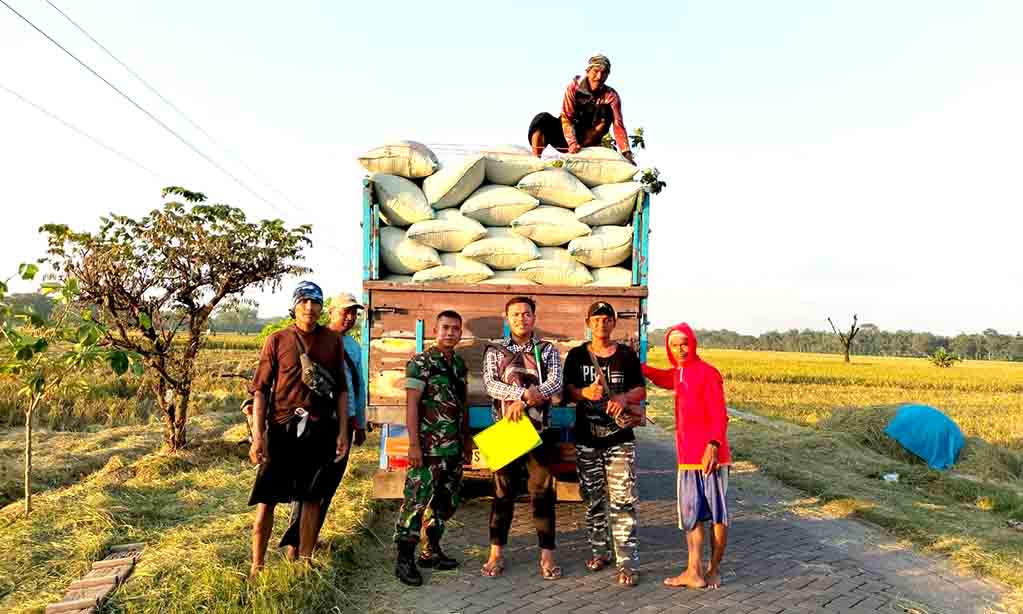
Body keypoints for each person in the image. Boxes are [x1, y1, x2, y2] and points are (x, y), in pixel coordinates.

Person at [247, 281, 348, 578]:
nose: (309, 307)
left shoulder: (332, 341)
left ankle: (304, 562)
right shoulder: (277, 340)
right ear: (294, 306)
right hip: (281, 429)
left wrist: (342, 431)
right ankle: (257, 566)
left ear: (321, 308)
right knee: (267, 499)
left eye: (315, 302)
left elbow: (341, 390)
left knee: (312, 498)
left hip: (319, 429)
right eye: (303, 301)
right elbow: (261, 390)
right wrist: (258, 437)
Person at [562, 301, 646, 586]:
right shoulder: (576, 356)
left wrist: (624, 398)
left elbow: (640, 388)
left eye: (606, 319)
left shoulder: (626, 356)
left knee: (623, 501)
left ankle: (627, 562)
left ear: (613, 323)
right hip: (587, 440)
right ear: (588, 323)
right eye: (596, 319)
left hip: (620, 440)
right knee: (593, 500)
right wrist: (584, 392)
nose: (601, 324)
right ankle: (600, 551)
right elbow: (567, 393)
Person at [480, 296, 564, 580]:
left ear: (534, 318)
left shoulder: (547, 350)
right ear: (507, 319)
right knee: (502, 494)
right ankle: (495, 555)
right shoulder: (495, 349)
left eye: (526, 314)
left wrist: (524, 404)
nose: (521, 319)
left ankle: (547, 557)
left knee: (543, 495)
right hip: (506, 430)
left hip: (540, 431)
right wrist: (522, 395)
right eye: (515, 315)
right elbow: (491, 384)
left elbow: (555, 383)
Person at [642, 323, 731, 589]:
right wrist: (639, 366)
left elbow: (719, 412)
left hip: (710, 456)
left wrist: (713, 444)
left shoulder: (708, 373)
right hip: (688, 456)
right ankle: (694, 571)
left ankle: (713, 569)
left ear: (693, 344)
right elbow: (662, 377)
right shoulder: (680, 373)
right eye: (674, 345)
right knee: (691, 515)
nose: (680, 349)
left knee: (717, 515)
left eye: (684, 344)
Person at [279, 292, 367, 558]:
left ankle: (311, 539)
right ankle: (294, 546)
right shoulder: (315, 340)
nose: (350, 317)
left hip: (346, 424)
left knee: (328, 486)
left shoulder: (353, 347)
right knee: (307, 487)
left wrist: (359, 423)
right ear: (331, 311)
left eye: (354, 313)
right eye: (345, 312)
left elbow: (358, 387)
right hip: (317, 424)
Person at [393, 310, 470, 586]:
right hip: (427, 449)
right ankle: (404, 561)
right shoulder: (421, 363)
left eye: (455, 329)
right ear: (435, 330)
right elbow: (412, 404)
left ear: (460, 333)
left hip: (452, 449)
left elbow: (463, 404)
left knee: (445, 504)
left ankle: (431, 551)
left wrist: (467, 439)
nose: (450, 333)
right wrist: (413, 445)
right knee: (416, 503)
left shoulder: (459, 365)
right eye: (445, 328)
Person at [527, 54, 635, 163]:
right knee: (542, 119)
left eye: (604, 73)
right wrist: (572, 142)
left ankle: (581, 150)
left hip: (587, 137)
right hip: (565, 134)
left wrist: (627, 153)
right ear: (588, 72)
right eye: (596, 71)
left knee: (606, 110)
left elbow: (618, 126)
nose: (599, 77)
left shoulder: (611, 96)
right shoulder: (574, 87)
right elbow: (566, 116)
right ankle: (536, 161)